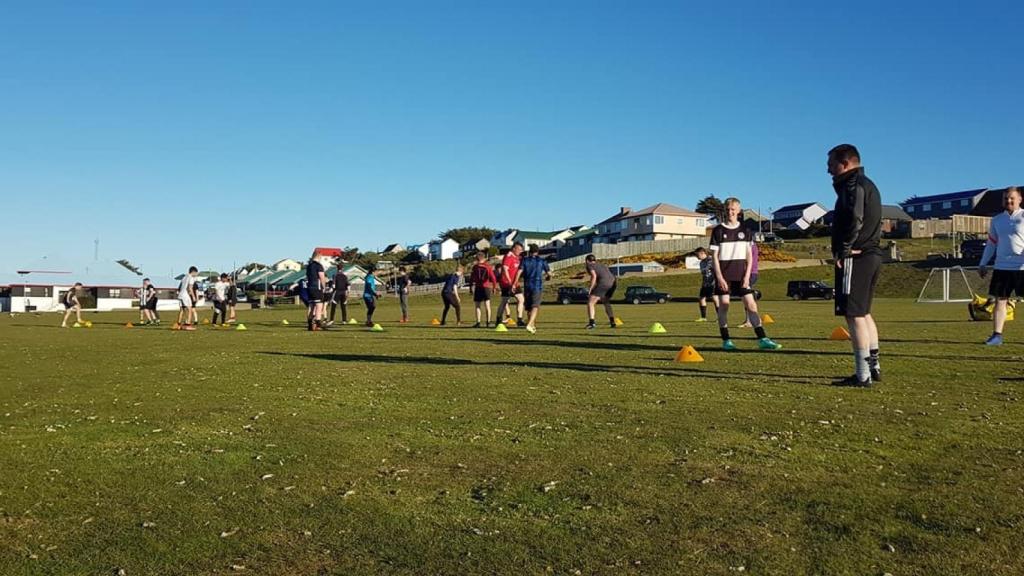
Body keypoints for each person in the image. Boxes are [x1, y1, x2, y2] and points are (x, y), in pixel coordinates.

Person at [829, 143, 883, 386]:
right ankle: (874, 367)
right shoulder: (866, 184)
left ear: (845, 163)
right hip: (870, 254)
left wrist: (845, 248)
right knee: (865, 312)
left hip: (857, 256)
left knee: (854, 314)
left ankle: (862, 375)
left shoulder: (854, 186)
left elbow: (855, 217)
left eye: (830, 164)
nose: (828, 170)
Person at [710, 198, 782, 352]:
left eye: (733, 209)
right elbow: (714, 257)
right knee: (724, 306)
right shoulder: (718, 230)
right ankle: (726, 340)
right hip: (724, 276)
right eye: (728, 209)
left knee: (751, 305)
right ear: (725, 210)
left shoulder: (746, 231)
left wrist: (747, 276)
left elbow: (750, 256)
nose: (730, 212)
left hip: (742, 275)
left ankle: (763, 339)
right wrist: (720, 277)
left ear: (738, 210)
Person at [978, 186, 1024, 346]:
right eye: (1006, 198)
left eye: (1012, 198)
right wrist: (983, 262)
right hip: (1002, 267)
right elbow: (991, 243)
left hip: (1022, 268)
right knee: (1000, 301)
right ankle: (997, 336)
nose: (1009, 201)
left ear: (1019, 199)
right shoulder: (997, 220)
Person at [519, 244, 551, 334]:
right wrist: (549, 277)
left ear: (530, 251)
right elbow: (549, 273)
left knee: (529, 308)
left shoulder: (524, 260)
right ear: (538, 251)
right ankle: (529, 324)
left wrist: (514, 282)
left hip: (527, 285)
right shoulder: (542, 261)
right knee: (535, 306)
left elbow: (519, 272)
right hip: (537, 285)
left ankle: (532, 325)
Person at [496, 243, 526, 327]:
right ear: (514, 248)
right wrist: (509, 282)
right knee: (504, 301)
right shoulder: (508, 256)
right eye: (519, 249)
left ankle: (519, 319)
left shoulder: (517, 258)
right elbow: (505, 269)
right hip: (506, 282)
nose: (520, 251)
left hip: (515, 283)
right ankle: (498, 320)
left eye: (521, 250)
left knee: (521, 299)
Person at [584, 254, 617, 329]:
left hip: (603, 283)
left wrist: (591, 288)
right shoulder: (602, 265)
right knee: (606, 302)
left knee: (591, 302)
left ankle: (592, 323)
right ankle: (612, 322)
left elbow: (594, 276)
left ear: (587, 261)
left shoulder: (589, 265)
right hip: (613, 283)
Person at [470, 252, 498, 327]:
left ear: (477, 258)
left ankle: (478, 322)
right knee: (487, 305)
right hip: (486, 287)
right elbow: (493, 278)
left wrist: (471, 287)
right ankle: (488, 322)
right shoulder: (488, 266)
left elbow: (472, 278)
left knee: (477, 306)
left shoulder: (475, 267)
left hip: (478, 287)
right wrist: (494, 287)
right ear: (484, 258)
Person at [737, 240, 760, 328]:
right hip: (751, 273)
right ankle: (751, 319)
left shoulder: (748, 246)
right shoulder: (752, 245)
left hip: (749, 274)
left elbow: (746, 260)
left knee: (747, 298)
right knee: (746, 298)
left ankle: (750, 320)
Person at [694, 247, 718, 322]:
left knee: (715, 298)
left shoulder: (711, 260)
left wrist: (715, 281)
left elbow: (716, 271)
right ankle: (703, 317)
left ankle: (720, 317)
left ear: (703, 253)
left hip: (713, 282)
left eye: (697, 255)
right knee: (701, 298)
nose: (697, 257)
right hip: (705, 283)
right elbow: (704, 273)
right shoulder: (701, 263)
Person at [306, 254, 328, 331]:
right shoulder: (319, 266)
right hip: (317, 287)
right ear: (319, 258)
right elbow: (322, 276)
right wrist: (324, 287)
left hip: (309, 287)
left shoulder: (309, 266)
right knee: (319, 306)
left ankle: (309, 324)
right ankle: (318, 323)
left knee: (311, 307)